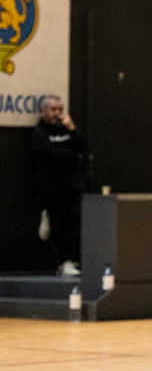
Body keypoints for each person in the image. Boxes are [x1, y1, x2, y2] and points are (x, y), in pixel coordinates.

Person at [30, 95, 88, 277]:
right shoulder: (40, 133)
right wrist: (73, 155)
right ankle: (62, 262)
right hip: (52, 187)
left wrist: (72, 129)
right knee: (59, 225)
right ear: (44, 111)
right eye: (53, 109)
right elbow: (51, 154)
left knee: (77, 219)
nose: (57, 113)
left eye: (60, 109)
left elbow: (83, 147)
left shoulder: (67, 129)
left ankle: (74, 258)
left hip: (73, 185)